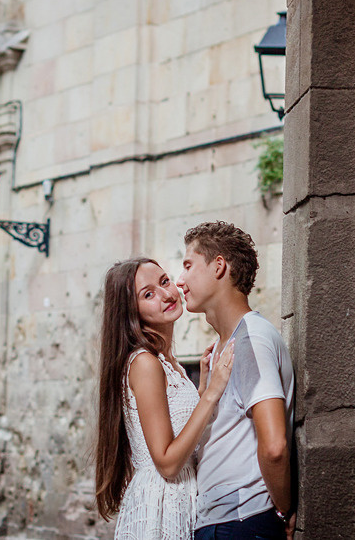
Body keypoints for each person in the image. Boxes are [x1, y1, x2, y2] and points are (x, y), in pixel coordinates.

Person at [95, 257, 235, 539]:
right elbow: (168, 463)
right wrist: (211, 394)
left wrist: (201, 388)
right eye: (148, 294)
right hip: (162, 505)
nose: (167, 294)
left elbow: (177, 427)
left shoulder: (167, 361)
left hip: (181, 495)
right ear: (131, 311)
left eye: (164, 281)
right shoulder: (145, 363)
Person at [176, 222, 295, 540]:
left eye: (188, 266)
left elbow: (274, 447)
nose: (180, 281)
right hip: (219, 523)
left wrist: (282, 511)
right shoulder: (220, 350)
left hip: (242, 523)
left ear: (218, 267)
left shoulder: (251, 339)